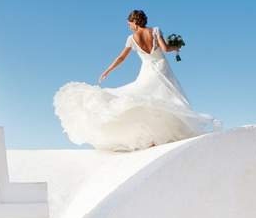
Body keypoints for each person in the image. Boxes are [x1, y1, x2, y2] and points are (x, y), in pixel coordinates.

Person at [53, 9, 220, 151]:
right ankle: (163, 135)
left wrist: (108, 70)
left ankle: (154, 138)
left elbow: (121, 58)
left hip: (147, 71)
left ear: (134, 22)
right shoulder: (155, 30)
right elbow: (165, 48)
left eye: (129, 23)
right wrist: (176, 46)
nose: (128, 26)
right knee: (169, 98)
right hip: (162, 68)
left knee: (147, 99)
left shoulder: (131, 39)